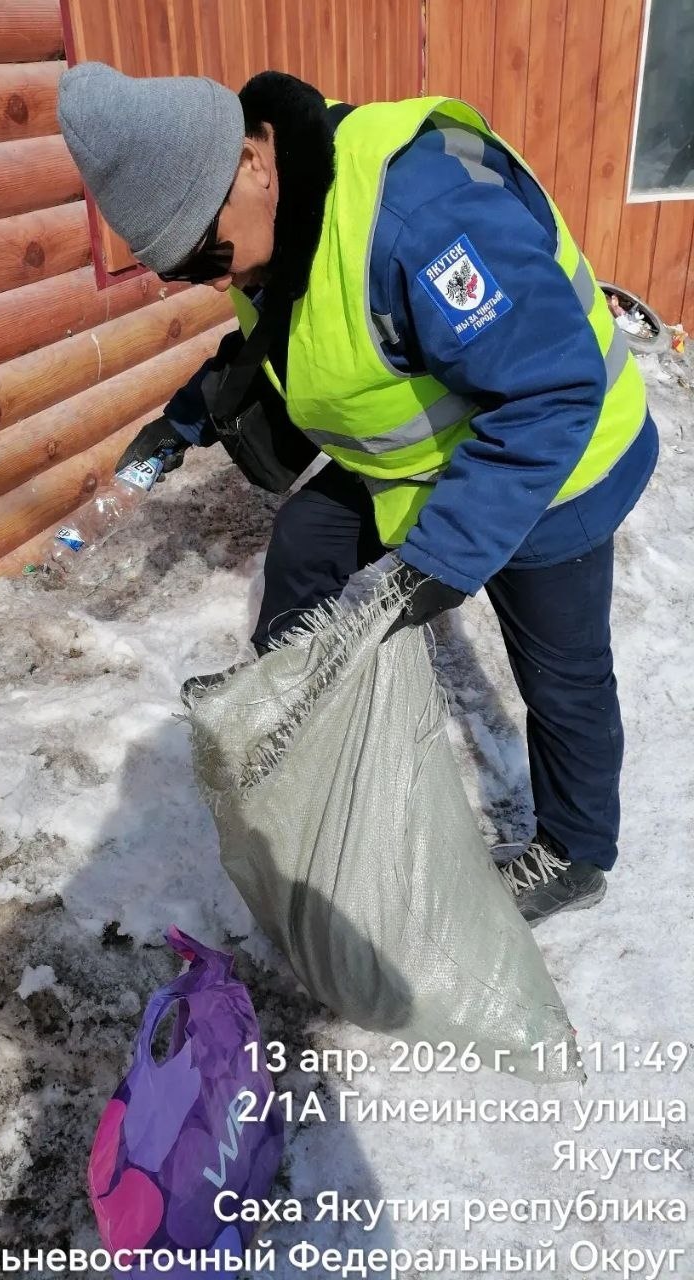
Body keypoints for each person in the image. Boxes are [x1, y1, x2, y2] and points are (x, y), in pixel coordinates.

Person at [57, 64, 658, 926]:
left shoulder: (421, 217)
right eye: (185, 271)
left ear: (251, 164)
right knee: (307, 537)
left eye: (209, 256)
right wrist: (180, 426)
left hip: (557, 462)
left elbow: (551, 388)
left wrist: (437, 563)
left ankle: (576, 851)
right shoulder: (278, 217)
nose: (212, 280)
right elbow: (278, 343)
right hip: (434, 451)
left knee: (561, 678)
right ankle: (287, 705)